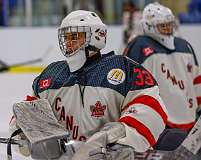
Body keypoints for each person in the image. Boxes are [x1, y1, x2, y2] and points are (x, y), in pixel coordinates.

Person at [9, 10, 168, 160]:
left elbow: (151, 107)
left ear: (96, 36)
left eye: (74, 37)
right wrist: (23, 132)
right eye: (66, 38)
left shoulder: (123, 69)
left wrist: (118, 135)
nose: (68, 43)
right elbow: (27, 112)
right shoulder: (51, 76)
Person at [123, 2, 201, 151]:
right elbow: (128, 85)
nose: (167, 29)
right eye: (162, 25)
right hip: (159, 124)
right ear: (149, 26)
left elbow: (196, 81)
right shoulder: (139, 46)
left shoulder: (185, 46)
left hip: (189, 121)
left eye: (169, 24)